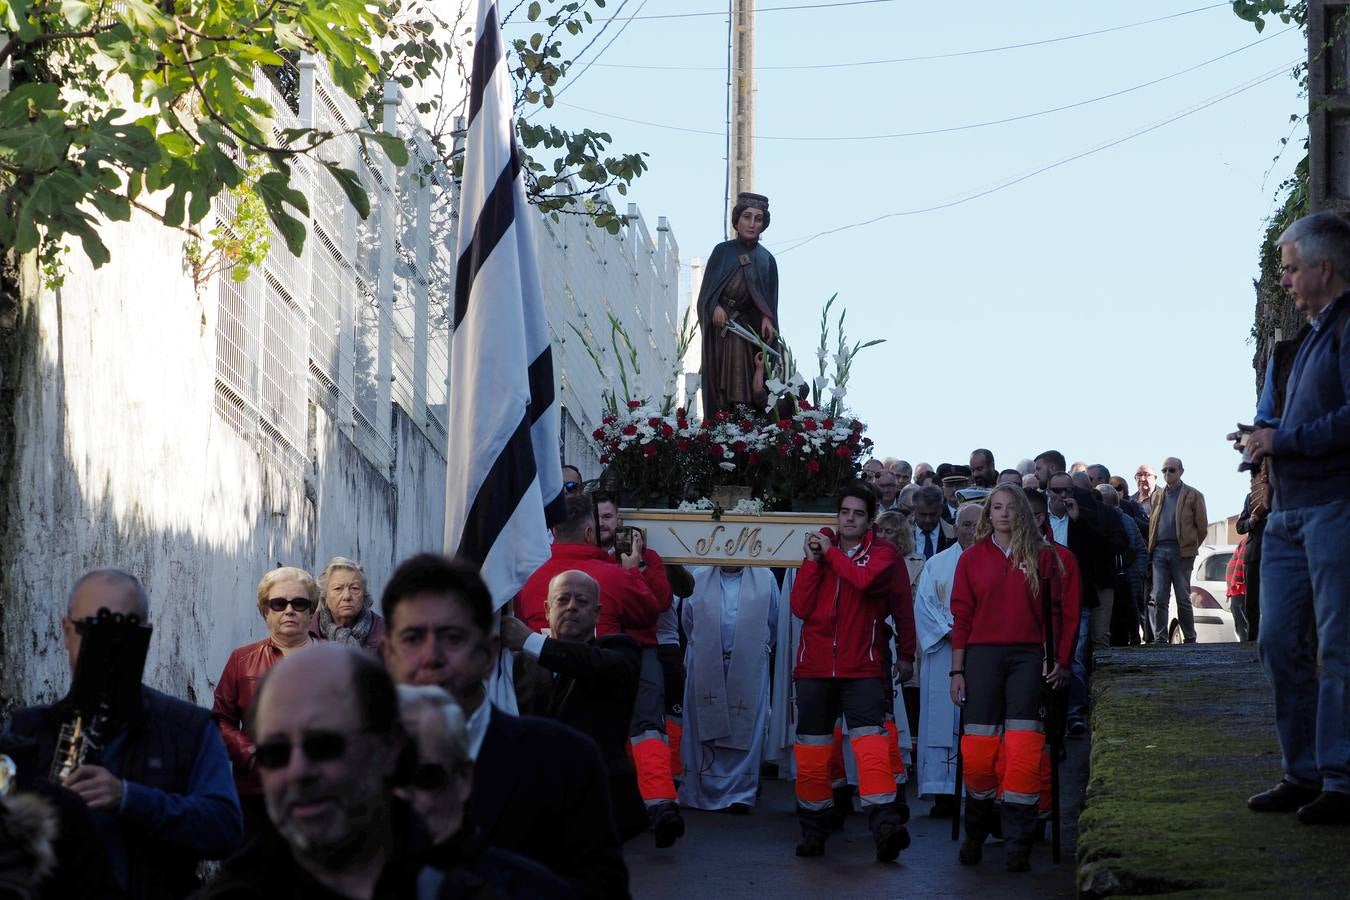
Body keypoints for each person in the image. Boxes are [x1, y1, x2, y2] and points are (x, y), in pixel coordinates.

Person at [381, 553, 628, 897]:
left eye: (452, 638)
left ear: (487, 655)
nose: (431, 656)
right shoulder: (347, 759)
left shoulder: (567, 761)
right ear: (388, 654)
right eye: (412, 638)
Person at [5, 569, 243, 899]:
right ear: (66, 631)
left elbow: (225, 829)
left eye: (124, 629)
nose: (105, 645)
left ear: (145, 635)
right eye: (91, 628)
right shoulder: (26, 729)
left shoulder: (190, 726)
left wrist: (129, 798)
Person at [1245, 210, 1350, 825]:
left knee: (1338, 647)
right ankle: (1302, 770)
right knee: (1278, 642)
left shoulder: (1346, 328)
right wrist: (1267, 440)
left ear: (1323, 267)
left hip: (1334, 506)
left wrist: (1281, 441)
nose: (1283, 280)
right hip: (1287, 513)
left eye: (1289, 268)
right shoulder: (1309, 335)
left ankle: (1338, 777)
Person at [201, 644, 429, 898]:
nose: (298, 772)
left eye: (323, 746)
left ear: (388, 747)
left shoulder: (459, 879)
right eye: (275, 754)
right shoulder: (235, 891)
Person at [949, 486, 1080, 872]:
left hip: (1028, 657)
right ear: (989, 514)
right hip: (981, 657)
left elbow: (1064, 614)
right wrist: (957, 670)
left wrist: (1061, 659)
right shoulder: (971, 559)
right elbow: (962, 617)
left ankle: (1018, 843)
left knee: (1023, 750)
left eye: (1011, 508)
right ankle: (976, 831)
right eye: (997, 508)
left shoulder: (1045, 556)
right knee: (977, 751)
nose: (1003, 514)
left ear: (1023, 512)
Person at [790, 484, 910, 861]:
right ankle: (813, 830)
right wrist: (812, 562)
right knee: (812, 755)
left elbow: (868, 584)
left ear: (869, 518)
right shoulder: (819, 554)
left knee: (871, 750)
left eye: (858, 513)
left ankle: (885, 828)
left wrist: (906, 653)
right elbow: (799, 606)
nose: (850, 519)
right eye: (844, 512)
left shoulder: (884, 554)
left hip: (862, 667)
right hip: (815, 668)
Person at [501, 571, 648, 841]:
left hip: (600, 805)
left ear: (597, 612)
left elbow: (591, 663)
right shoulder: (520, 663)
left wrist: (529, 640)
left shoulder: (621, 651)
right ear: (547, 609)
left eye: (581, 601)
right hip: (536, 807)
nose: (571, 607)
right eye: (562, 599)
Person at [395, 686, 577, 897]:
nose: (401, 795)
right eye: (388, 781)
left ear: (463, 778)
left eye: (425, 778)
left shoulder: (523, 888)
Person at [591, 493, 683, 847]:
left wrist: (637, 567)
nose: (604, 524)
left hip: (642, 649)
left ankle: (661, 806)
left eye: (610, 517)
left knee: (648, 726)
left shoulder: (649, 558)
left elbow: (660, 603)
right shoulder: (592, 558)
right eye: (598, 517)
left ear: (621, 520)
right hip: (599, 649)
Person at [213, 566, 319, 835]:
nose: (289, 610)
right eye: (279, 603)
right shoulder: (242, 660)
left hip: (318, 791)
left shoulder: (335, 660)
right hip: (256, 791)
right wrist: (250, 755)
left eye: (299, 603)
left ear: (311, 610)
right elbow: (219, 720)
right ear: (265, 610)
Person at [678, 565, 780, 812]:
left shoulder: (765, 578)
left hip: (748, 663)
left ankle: (742, 792)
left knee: (747, 723)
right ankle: (700, 790)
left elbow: (773, 622)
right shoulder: (697, 576)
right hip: (706, 661)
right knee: (701, 721)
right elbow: (688, 623)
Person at [913, 502, 982, 818]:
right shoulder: (936, 564)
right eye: (966, 524)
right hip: (943, 654)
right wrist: (952, 632)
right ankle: (943, 792)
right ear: (956, 527)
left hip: (982, 653)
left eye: (978, 525)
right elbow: (924, 606)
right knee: (941, 720)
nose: (972, 531)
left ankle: (979, 791)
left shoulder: (995, 563)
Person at [696, 192, 779, 413]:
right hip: (723, 328)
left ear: (764, 224)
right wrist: (714, 306)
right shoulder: (722, 252)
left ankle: (744, 415)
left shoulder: (766, 260)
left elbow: (768, 301)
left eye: (758, 219)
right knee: (723, 372)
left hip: (747, 329)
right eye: (747, 217)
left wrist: (766, 318)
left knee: (752, 370)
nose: (752, 224)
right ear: (737, 220)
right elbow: (706, 294)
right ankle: (725, 415)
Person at [1145, 457, 1208, 644]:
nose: (1167, 474)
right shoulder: (1157, 496)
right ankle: (1160, 637)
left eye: (1171, 470)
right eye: (1164, 470)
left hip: (1181, 551)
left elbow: (1202, 527)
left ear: (1181, 471)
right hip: (1160, 550)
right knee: (1159, 596)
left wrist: (1190, 546)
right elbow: (1153, 524)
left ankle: (1189, 637)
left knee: (1182, 597)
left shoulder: (1193, 495)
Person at [312, 557, 386, 651]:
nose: (347, 596)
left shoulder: (385, 632)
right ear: (324, 595)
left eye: (354, 588)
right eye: (338, 588)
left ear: (364, 595)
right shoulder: (308, 631)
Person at [912, 485, 956, 562]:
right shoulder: (901, 537)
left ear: (941, 509)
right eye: (923, 514)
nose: (927, 520)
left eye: (932, 514)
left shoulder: (954, 536)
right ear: (914, 510)